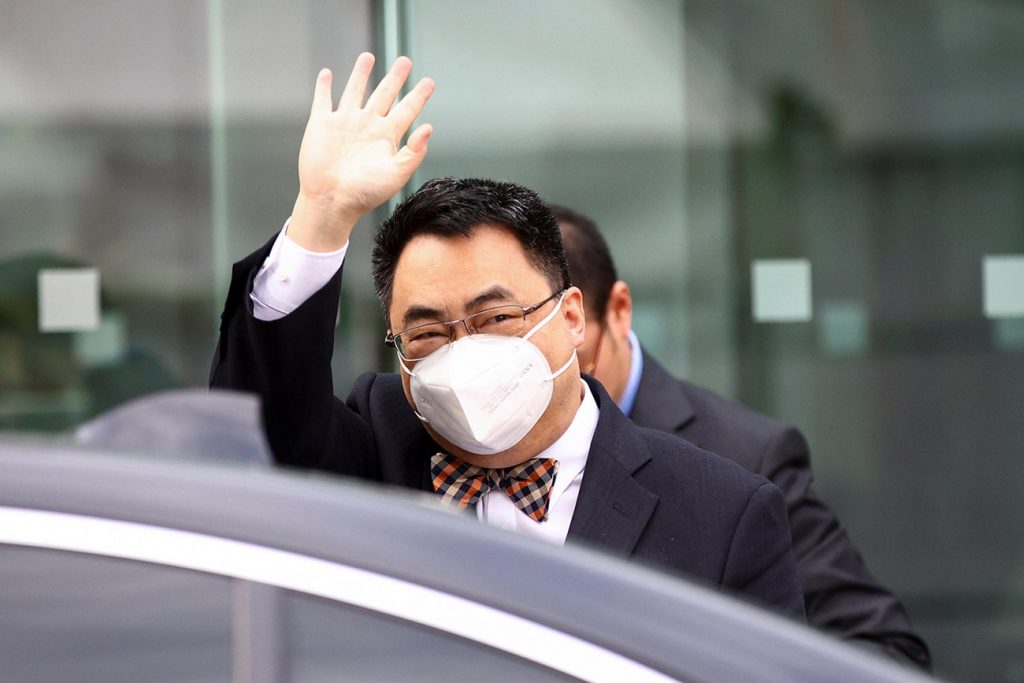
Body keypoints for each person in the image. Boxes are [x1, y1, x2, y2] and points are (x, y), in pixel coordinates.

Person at [210, 53, 804, 618]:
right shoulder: (379, 447)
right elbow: (256, 435)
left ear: (572, 317)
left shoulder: (720, 512)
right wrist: (320, 216)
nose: (464, 349)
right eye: (426, 332)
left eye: (496, 318)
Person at [555, 205, 932, 670]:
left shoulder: (744, 455)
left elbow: (881, 651)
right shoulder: (457, 454)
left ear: (618, 311)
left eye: (565, 340)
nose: (537, 372)